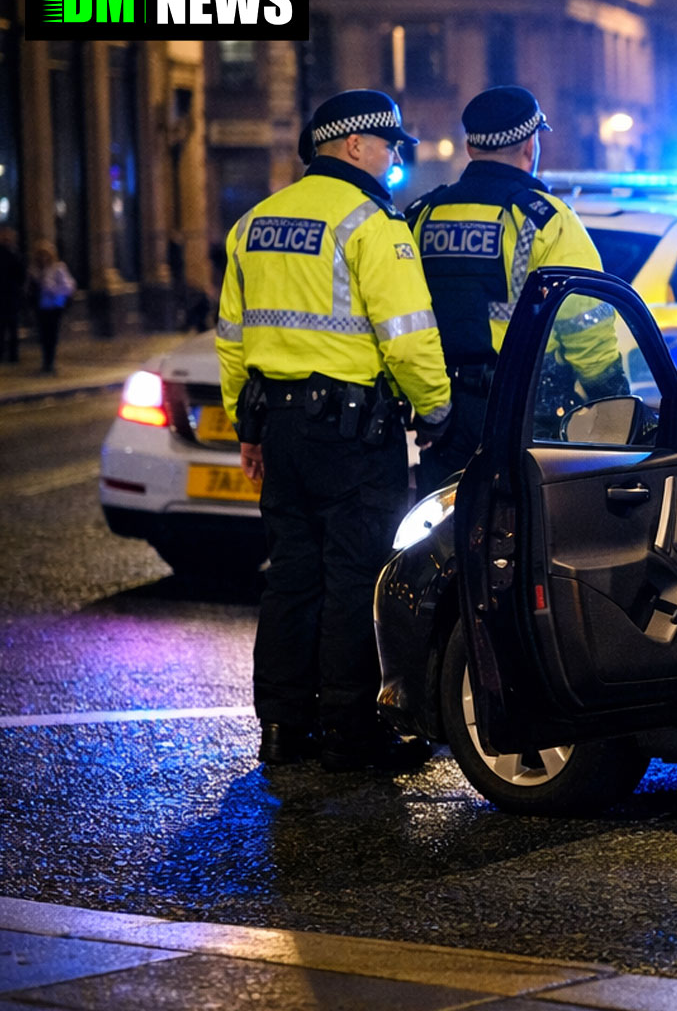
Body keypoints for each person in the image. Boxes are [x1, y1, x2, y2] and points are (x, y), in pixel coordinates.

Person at [216, 89, 453, 772]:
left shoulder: (254, 222)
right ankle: (351, 730)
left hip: (280, 431)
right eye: (390, 147)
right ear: (354, 146)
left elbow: (232, 339)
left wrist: (247, 426)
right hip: (353, 435)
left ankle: (283, 728)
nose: (394, 160)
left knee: (290, 575)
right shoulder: (373, 225)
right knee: (353, 576)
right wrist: (435, 410)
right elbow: (408, 338)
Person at [406, 85, 614, 490]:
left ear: (470, 148)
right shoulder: (544, 219)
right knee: (525, 536)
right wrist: (611, 401)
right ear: (530, 144)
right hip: (525, 410)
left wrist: (430, 409)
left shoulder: (423, 215)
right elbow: (585, 324)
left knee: (446, 539)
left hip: (445, 415)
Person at [29, 240, 75, 374]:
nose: (43, 258)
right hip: (40, 306)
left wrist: (52, 289)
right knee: (43, 334)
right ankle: (45, 361)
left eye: (45, 255)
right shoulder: (33, 270)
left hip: (55, 305)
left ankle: (51, 361)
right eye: (40, 255)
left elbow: (69, 286)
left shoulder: (58, 268)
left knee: (52, 333)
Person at [0, 228, 23, 364]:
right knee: (7, 327)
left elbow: (20, 274)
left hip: (11, 296)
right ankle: (11, 355)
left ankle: (11, 354)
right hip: (8, 296)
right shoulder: (11, 254)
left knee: (10, 327)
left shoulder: (14, 254)